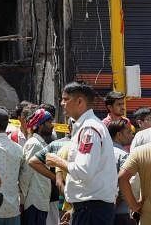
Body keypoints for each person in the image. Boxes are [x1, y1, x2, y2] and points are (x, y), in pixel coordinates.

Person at [47, 82, 117, 225]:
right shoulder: (86, 127)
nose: (62, 103)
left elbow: (84, 171)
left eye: (66, 99)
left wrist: (57, 161)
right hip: (88, 208)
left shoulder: (89, 129)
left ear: (80, 102)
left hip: (91, 209)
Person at [20, 109, 53, 225]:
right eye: (49, 122)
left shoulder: (40, 143)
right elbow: (26, 174)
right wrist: (22, 200)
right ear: (40, 125)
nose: (52, 125)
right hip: (33, 202)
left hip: (40, 200)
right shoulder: (34, 144)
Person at [107, 119, 134, 225]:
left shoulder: (100, 153)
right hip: (119, 212)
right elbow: (124, 184)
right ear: (119, 135)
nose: (131, 135)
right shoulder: (123, 155)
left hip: (100, 209)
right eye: (128, 132)